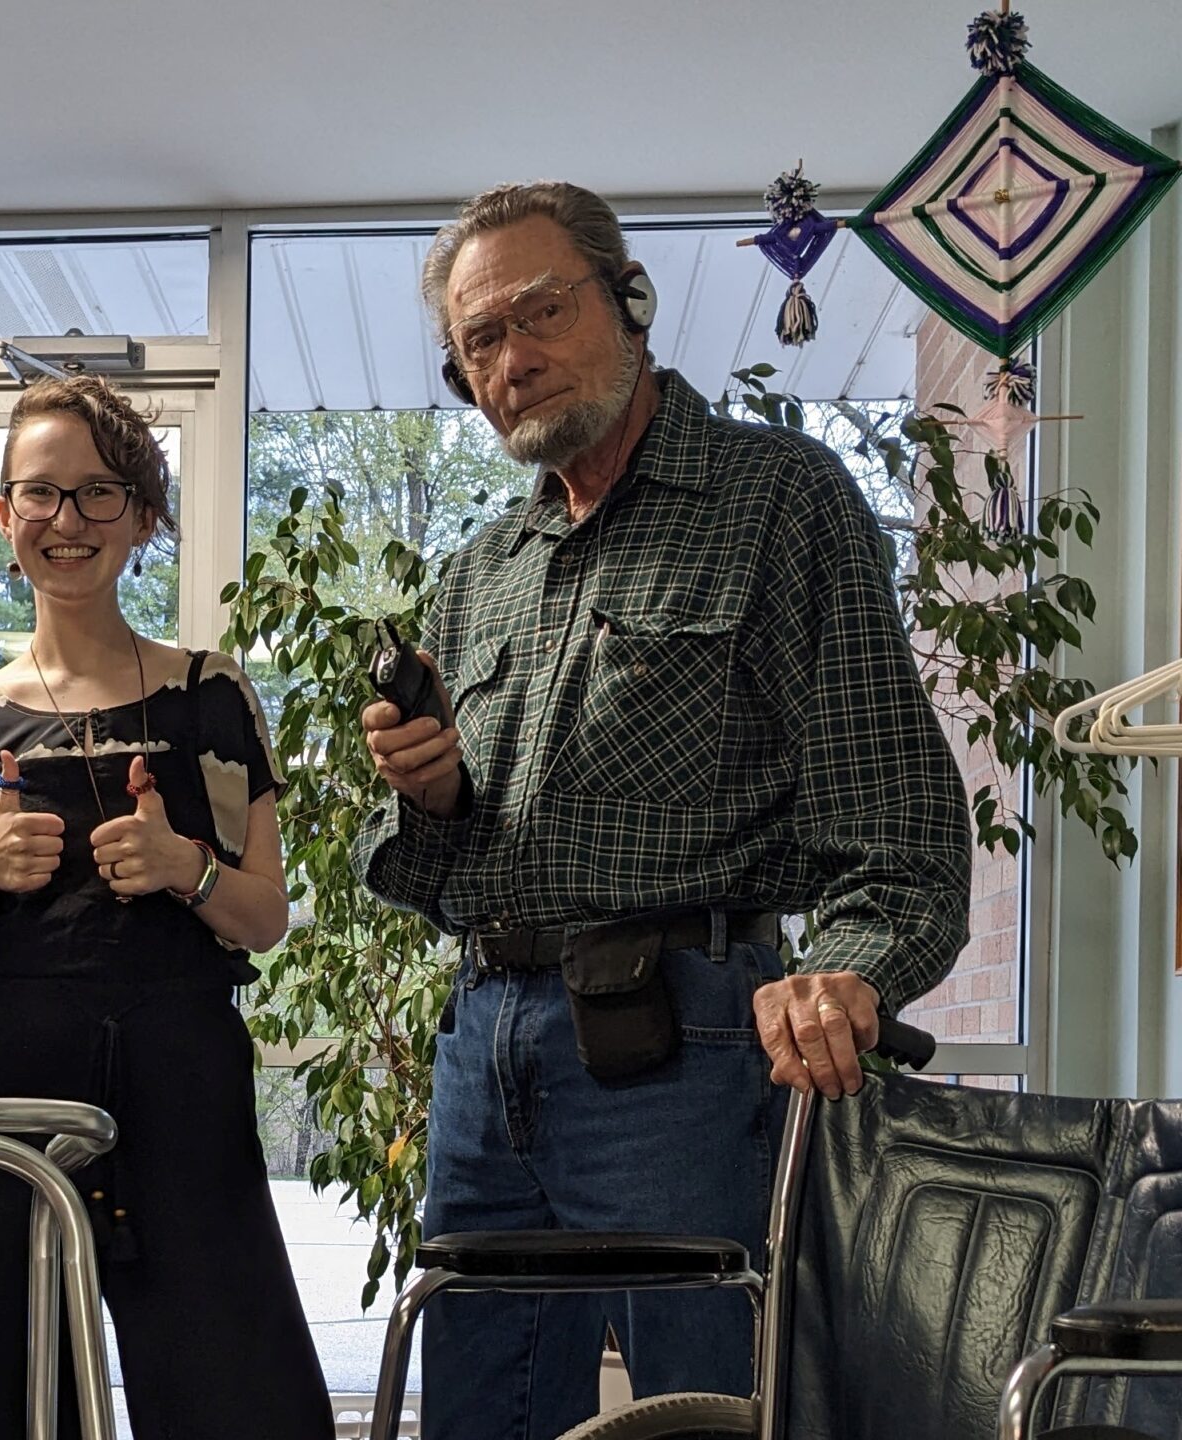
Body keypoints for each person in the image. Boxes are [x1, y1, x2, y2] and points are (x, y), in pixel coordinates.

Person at [358, 180, 972, 1438]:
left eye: (541, 312)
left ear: (630, 302)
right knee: (477, 1416)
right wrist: (433, 798)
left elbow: (899, 830)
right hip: (485, 1054)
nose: (514, 360)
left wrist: (845, 975)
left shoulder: (779, 502)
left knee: (711, 1417)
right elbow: (443, 868)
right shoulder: (483, 570)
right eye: (479, 342)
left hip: (682, 1053)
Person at [0, 376, 336, 1438]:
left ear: (144, 517)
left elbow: (264, 916)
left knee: (233, 1380)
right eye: (40, 495)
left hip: (179, 1077)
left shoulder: (209, 695)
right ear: (4, 516)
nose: (67, 521)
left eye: (99, 494)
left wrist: (184, 867)